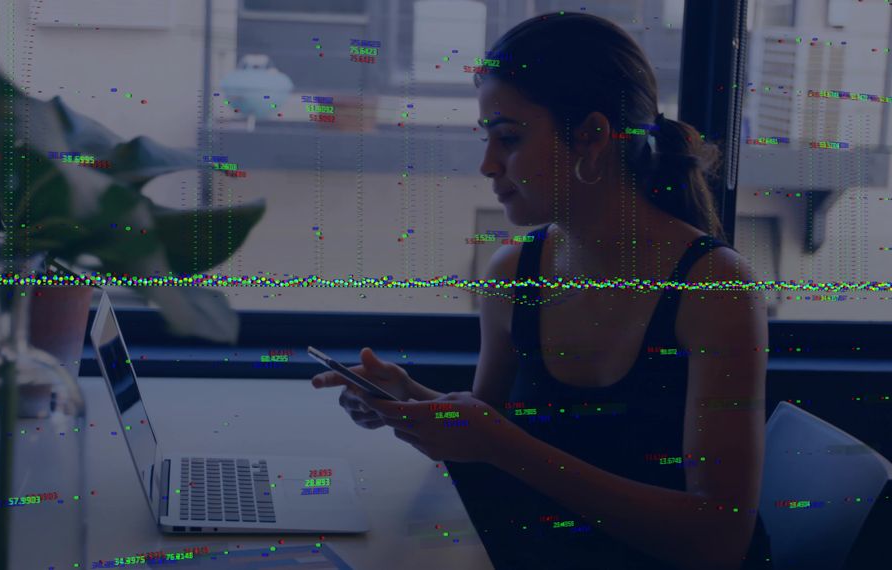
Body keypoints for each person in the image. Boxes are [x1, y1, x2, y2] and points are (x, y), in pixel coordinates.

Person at [312, 12, 772, 570]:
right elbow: (492, 432)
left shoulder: (715, 289)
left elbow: (718, 541)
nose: (487, 165)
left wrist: (499, 443)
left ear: (593, 137)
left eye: (507, 138)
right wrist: (408, 399)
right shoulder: (515, 273)